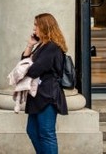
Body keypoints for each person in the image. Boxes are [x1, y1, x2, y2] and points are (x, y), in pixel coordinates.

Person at [20, 12, 69, 154]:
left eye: (36, 25)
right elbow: (23, 63)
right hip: (38, 95)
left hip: (48, 95)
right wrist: (29, 46)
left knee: (47, 134)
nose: (34, 29)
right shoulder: (42, 45)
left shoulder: (52, 47)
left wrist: (24, 69)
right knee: (32, 131)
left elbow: (33, 70)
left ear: (45, 27)